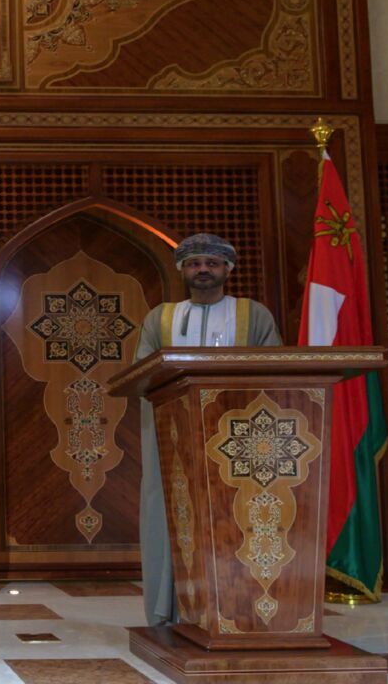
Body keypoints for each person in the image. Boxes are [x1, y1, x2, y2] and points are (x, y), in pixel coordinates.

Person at [133, 233, 281, 627]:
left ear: (228, 269)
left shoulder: (254, 315)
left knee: (236, 514)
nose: (203, 270)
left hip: (239, 433)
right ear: (182, 269)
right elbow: (140, 375)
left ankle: (241, 610)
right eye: (195, 263)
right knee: (171, 507)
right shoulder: (160, 317)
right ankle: (172, 609)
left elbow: (277, 373)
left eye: (212, 263)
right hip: (172, 434)